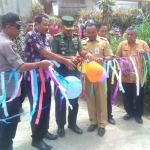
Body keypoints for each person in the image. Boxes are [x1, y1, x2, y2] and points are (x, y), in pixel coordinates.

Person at [24, 14, 76, 150]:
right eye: (44, 24)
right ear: (36, 24)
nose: (47, 27)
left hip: (46, 77)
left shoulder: (46, 37)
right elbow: (45, 54)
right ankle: (36, 139)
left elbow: (52, 55)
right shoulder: (31, 35)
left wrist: (59, 61)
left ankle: (44, 131)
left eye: (48, 25)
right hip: (34, 79)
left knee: (46, 106)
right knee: (37, 107)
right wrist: (64, 60)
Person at [0, 12, 51, 150]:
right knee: (8, 126)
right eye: (18, 26)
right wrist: (40, 64)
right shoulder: (7, 44)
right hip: (9, 92)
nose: (20, 29)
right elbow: (21, 66)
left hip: (7, 90)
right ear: (8, 26)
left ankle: (42, 132)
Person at [51, 16, 93, 138]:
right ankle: (60, 125)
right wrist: (67, 59)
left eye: (71, 29)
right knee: (61, 99)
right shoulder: (56, 39)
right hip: (61, 71)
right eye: (67, 29)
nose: (69, 32)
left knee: (74, 98)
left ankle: (72, 123)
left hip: (73, 70)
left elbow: (81, 51)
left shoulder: (76, 38)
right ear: (62, 27)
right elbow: (53, 55)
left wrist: (87, 53)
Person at [81, 23, 113, 137]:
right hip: (88, 75)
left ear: (97, 31)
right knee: (90, 99)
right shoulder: (82, 42)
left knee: (101, 100)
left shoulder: (104, 42)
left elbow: (110, 56)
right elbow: (79, 56)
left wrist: (103, 58)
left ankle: (102, 124)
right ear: (85, 32)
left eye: (93, 32)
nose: (91, 34)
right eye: (88, 32)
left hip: (100, 76)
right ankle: (93, 122)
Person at [115, 26, 150, 124]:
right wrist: (121, 68)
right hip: (126, 76)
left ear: (136, 35)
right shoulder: (122, 45)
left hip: (139, 77)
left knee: (139, 96)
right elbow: (116, 57)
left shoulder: (142, 44)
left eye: (131, 34)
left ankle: (138, 115)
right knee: (127, 96)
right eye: (127, 34)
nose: (129, 36)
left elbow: (149, 56)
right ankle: (129, 112)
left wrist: (144, 53)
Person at [13, 21, 34, 113]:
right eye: (29, 25)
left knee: (24, 88)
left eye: (31, 25)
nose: (30, 27)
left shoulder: (22, 38)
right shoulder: (10, 40)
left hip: (24, 65)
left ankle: (20, 103)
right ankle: (17, 105)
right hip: (14, 68)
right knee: (16, 88)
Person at [97, 22, 115, 125]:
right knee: (96, 95)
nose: (104, 33)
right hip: (94, 73)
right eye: (102, 31)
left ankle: (109, 115)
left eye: (105, 31)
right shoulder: (91, 41)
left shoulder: (106, 41)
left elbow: (110, 56)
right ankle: (98, 117)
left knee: (106, 93)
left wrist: (103, 58)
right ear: (97, 31)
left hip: (106, 71)